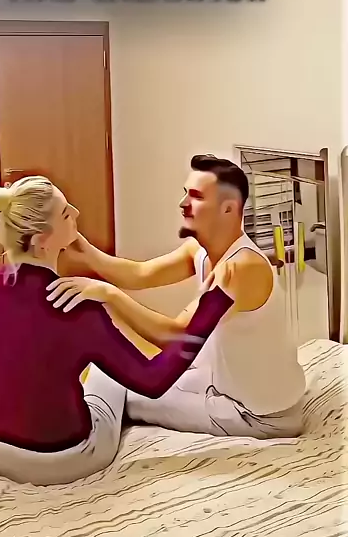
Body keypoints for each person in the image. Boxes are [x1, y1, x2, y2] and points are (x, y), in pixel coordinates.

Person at [0, 174, 235, 486]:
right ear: (43, 240)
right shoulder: (78, 307)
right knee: (110, 379)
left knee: (80, 373)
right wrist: (214, 303)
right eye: (66, 213)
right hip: (58, 460)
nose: (77, 213)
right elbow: (153, 381)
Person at [49, 154, 307, 439]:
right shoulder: (200, 251)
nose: (183, 203)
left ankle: (82, 448)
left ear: (228, 209)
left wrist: (107, 294)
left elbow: (178, 335)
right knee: (111, 374)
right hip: (219, 384)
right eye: (185, 193)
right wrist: (84, 249)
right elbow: (141, 274)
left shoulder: (241, 269)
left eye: (196, 196)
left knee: (118, 390)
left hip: (257, 416)